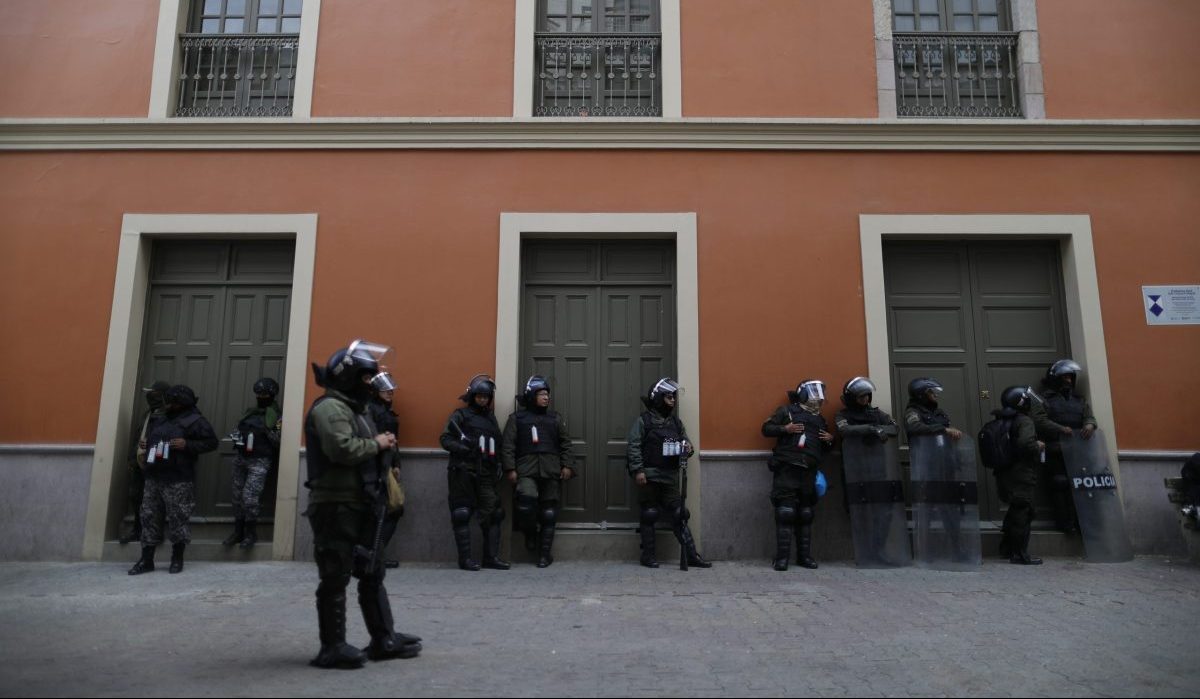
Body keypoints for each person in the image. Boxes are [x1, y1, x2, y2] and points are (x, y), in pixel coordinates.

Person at [304, 340, 421, 670]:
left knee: (372, 572)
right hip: (335, 505)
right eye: (366, 378)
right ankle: (333, 647)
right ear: (348, 377)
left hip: (362, 502)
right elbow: (340, 448)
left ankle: (383, 639)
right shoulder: (330, 409)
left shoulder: (356, 410)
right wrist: (377, 443)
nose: (370, 385)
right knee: (335, 575)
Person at [128, 384, 218, 576]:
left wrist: (188, 444)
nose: (167, 405)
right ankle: (146, 559)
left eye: (171, 402)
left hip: (178, 479)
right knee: (149, 516)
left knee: (178, 518)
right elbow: (154, 439)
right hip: (154, 476)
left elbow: (212, 443)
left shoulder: (196, 421)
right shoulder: (159, 419)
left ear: (181, 403)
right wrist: (147, 442)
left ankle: (177, 558)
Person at [626, 378, 710, 570]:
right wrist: (638, 470)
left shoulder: (676, 423)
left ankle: (691, 556)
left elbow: (687, 446)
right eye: (669, 397)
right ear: (658, 399)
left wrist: (687, 448)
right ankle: (648, 556)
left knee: (680, 513)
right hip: (650, 476)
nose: (673, 400)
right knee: (649, 513)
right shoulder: (643, 421)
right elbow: (634, 446)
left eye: (673, 397)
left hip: (669, 477)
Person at [501, 375, 576, 568]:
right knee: (526, 505)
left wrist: (567, 465)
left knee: (549, 513)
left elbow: (566, 444)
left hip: (551, 470)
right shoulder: (517, 419)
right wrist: (510, 468)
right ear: (531, 396)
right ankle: (530, 534)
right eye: (541, 394)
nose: (546, 397)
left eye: (547, 394)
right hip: (526, 470)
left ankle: (544, 555)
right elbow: (508, 446)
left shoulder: (555, 418)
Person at [762, 379, 835, 571]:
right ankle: (782, 559)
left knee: (806, 514)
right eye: (814, 393)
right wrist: (785, 429)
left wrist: (830, 440)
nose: (818, 398)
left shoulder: (820, 419)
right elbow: (766, 429)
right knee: (786, 513)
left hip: (809, 472)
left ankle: (804, 557)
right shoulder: (786, 411)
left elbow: (823, 448)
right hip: (787, 469)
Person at [440, 374, 509, 571]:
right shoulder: (459, 416)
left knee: (494, 513)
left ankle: (491, 557)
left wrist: (498, 464)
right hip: (462, 471)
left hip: (485, 472)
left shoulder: (491, 419)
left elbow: (498, 442)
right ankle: (465, 560)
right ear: (472, 397)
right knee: (461, 513)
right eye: (479, 396)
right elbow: (445, 439)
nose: (483, 400)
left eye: (486, 397)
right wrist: (463, 447)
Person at [834, 376, 902, 566]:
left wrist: (879, 427)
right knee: (859, 513)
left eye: (867, 396)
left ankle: (878, 551)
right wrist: (870, 429)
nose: (865, 400)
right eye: (860, 396)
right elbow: (845, 431)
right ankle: (864, 552)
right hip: (855, 471)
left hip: (877, 471)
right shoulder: (842, 415)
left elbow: (894, 428)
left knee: (883, 513)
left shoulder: (877, 413)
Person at [1032, 359, 1098, 534]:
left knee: (1080, 486)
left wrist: (1090, 424)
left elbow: (1088, 416)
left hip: (1078, 451)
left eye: (1071, 377)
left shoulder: (1079, 400)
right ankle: (1064, 523)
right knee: (1059, 484)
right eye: (1065, 377)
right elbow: (1039, 420)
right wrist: (1061, 429)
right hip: (1055, 450)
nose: (1068, 380)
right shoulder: (1044, 399)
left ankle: (1081, 523)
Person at [222, 377, 282, 550]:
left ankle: (251, 533)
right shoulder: (250, 412)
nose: (260, 397)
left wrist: (266, 431)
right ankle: (238, 531)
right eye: (258, 394)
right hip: (241, 458)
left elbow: (278, 441)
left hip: (260, 460)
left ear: (271, 395)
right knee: (236, 496)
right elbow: (236, 430)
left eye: (264, 394)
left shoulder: (277, 417)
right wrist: (236, 437)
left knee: (249, 498)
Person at [994, 386, 1046, 565]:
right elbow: (1025, 442)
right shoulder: (1024, 420)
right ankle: (1019, 554)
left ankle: (1006, 548)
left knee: (1015, 509)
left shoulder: (1002, 419)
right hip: (1021, 473)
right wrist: (1037, 446)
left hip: (1005, 472)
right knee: (1024, 512)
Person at [120, 381, 170, 545]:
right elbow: (138, 436)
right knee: (137, 497)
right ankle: (137, 530)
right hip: (141, 464)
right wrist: (132, 459)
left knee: (156, 501)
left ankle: (156, 532)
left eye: (154, 394)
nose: (150, 397)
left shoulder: (169, 416)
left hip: (158, 465)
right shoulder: (147, 414)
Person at [365, 370, 403, 569]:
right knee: (383, 510)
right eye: (385, 390)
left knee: (392, 509)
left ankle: (374, 552)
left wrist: (396, 465)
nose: (389, 392)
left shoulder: (385, 411)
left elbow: (393, 442)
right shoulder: (370, 411)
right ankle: (372, 553)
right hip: (374, 466)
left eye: (391, 390)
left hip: (386, 465)